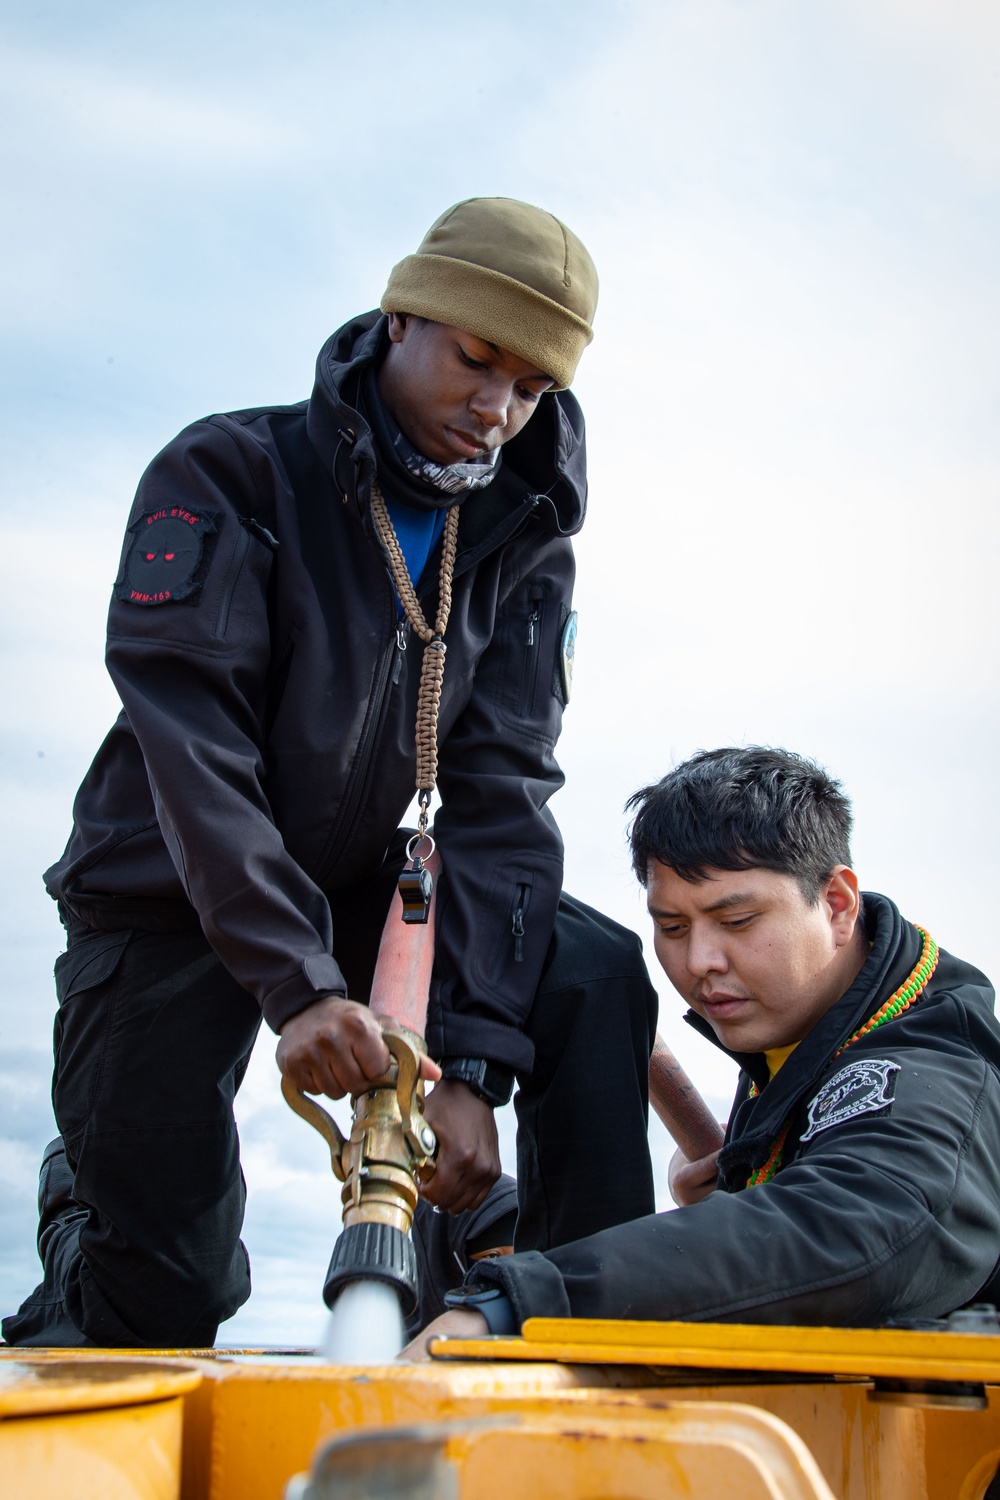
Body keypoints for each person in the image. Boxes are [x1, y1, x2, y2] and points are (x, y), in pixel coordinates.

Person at [3, 198, 658, 1348]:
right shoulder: (227, 472)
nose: (498, 410)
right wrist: (298, 985)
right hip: (168, 884)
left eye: (534, 390)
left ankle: (551, 1314)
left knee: (590, 973)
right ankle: (81, 1205)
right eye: (476, 360)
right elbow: (192, 744)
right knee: (162, 1302)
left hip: (369, 879)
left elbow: (504, 789)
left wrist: (472, 1065)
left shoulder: (529, 532)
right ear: (404, 317)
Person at [410, 746, 1000, 1350]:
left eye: (738, 921)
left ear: (837, 905)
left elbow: (870, 1230)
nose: (699, 963)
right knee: (442, 1225)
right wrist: (751, 1185)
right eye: (671, 927)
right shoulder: (802, 1026)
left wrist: (516, 1306)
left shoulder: (936, 1065)